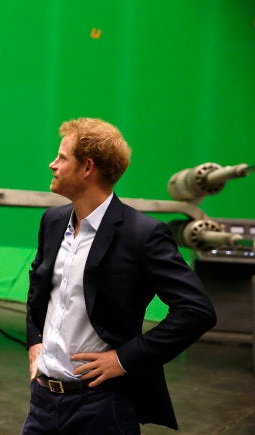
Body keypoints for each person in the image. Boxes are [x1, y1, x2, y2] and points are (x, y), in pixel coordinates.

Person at [21, 117, 216, 434]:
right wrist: (35, 342)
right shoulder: (53, 221)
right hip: (41, 402)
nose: (52, 164)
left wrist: (124, 359)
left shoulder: (143, 234)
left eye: (62, 157)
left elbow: (196, 311)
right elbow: (38, 284)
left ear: (87, 168)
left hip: (102, 406)